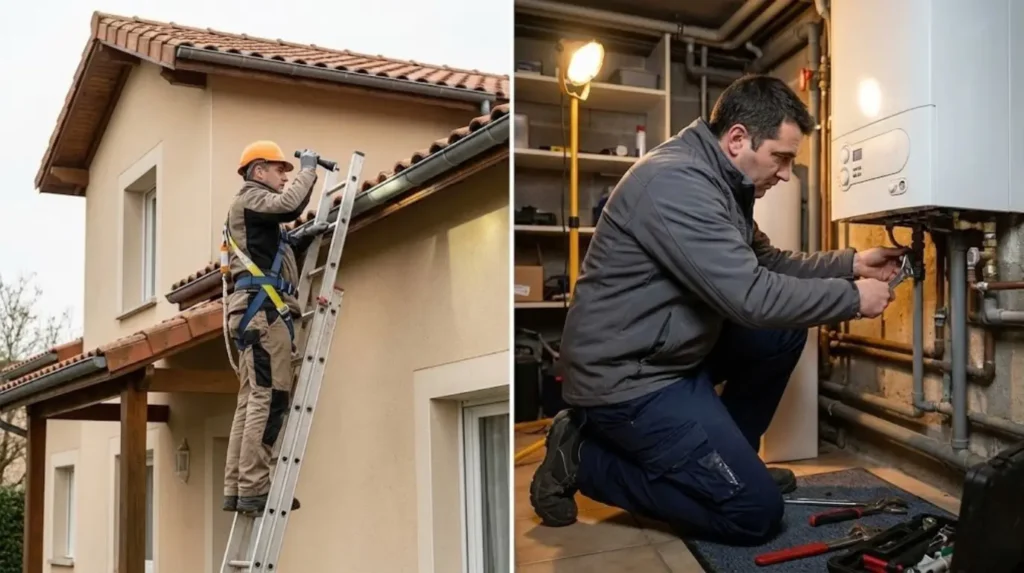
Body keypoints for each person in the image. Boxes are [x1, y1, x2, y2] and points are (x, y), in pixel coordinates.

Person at [529, 75, 903, 545]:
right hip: (627, 378)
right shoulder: (676, 183)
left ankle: (731, 465)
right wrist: (853, 299)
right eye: (782, 158)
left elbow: (765, 261)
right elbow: (751, 296)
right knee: (753, 515)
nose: (786, 173)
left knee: (783, 334)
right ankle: (584, 456)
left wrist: (851, 263)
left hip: (669, 353)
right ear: (738, 139)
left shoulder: (720, 179)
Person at [221, 140, 323, 514]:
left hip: (254, 313)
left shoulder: (253, 214)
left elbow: (267, 250)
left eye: (289, 171)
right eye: (280, 170)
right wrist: (310, 169)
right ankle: (254, 488)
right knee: (271, 398)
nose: (285, 176)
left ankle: (238, 487)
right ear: (258, 170)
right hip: (263, 316)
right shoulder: (251, 198)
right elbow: (289, 205)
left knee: (250, 401)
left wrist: (297, 241)